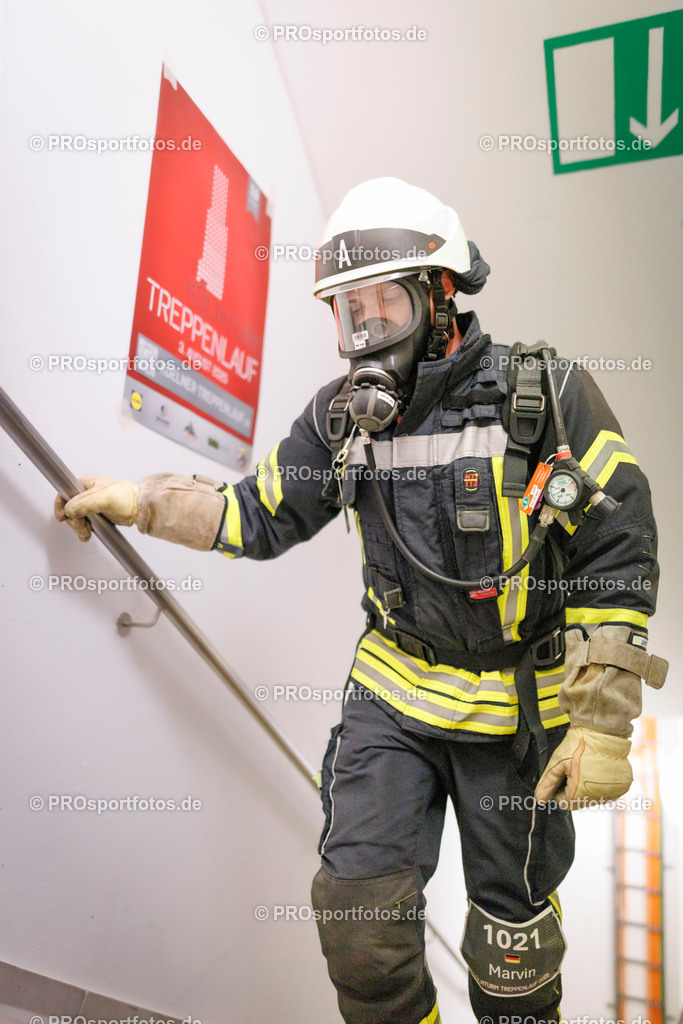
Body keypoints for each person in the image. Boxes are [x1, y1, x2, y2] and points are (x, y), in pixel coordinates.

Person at [54, 178, 667, 1024]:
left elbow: (615, 547)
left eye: (386, 303)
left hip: (516, 718)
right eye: (349, 312)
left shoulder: (546, 393)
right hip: (392, 697)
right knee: (359, 928)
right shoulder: (342, 419)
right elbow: (258, 512)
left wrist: (601, 724)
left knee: (509, 952)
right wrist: (144, 501)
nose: (366, 331)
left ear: (441, 293)